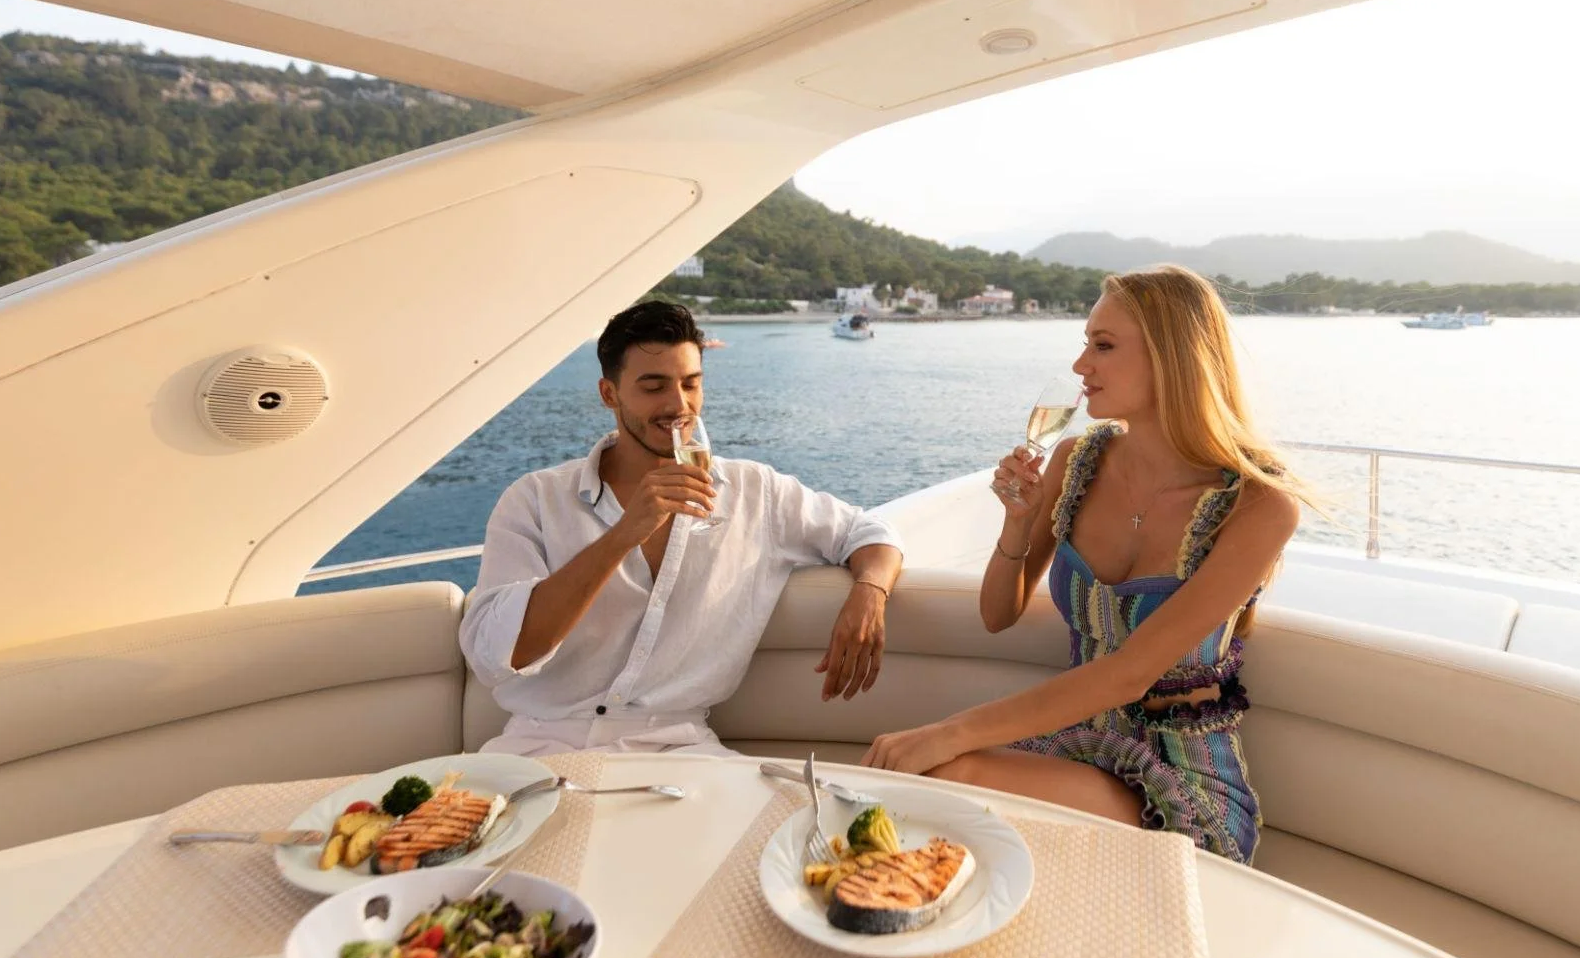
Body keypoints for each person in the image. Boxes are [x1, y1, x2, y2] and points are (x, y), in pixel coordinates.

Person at [862, 265, 1304, 863]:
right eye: (1084, 343)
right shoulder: (1077, 460)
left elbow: (1129, 673)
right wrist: (1018, 522)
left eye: (1103, 345)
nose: (1080, 366)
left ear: (1172, 357)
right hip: (1082, 744)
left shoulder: (1258, 506)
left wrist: (946, 731)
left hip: (1181, 783)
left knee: (950, 774)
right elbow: (997, 614)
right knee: (936, 798)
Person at [460, 300, 904, 755]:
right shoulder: (534, 500)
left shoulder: (754, 492)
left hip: (678, 746)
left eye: (691, 385)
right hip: (542, 742)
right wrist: (624, 533)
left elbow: (870, 532)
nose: (679, 405)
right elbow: (503, 653)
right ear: (609, 395)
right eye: (653, 387)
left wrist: (870, 593)